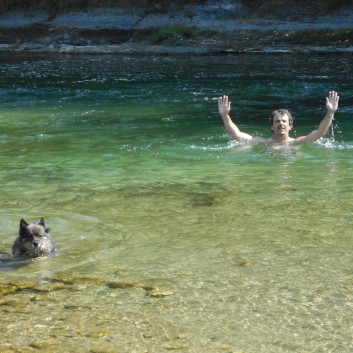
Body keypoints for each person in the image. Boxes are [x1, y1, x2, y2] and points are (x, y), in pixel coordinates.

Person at [218, 91, 339, 144]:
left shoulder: (297, 142)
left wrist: (330, 113)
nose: (281, 123)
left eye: (284, 121)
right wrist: (225, 115)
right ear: (272, 126)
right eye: (277, 121)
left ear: (290, 126)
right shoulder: (263, 142)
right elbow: (237, 135)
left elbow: (319, 133)